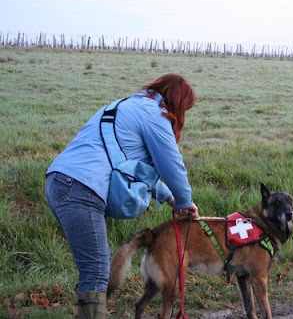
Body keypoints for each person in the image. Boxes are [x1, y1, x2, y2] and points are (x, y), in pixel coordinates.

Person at [44, 73, 199, 318]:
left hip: (59, 181)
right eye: (185, 108)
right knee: (96, 270)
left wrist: (172, 200)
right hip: (81, 188)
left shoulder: (122, 106)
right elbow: (172, 165)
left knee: (93, 269)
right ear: (177, 101)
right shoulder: (155, 115)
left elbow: (136, 170)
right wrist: (185, 202)